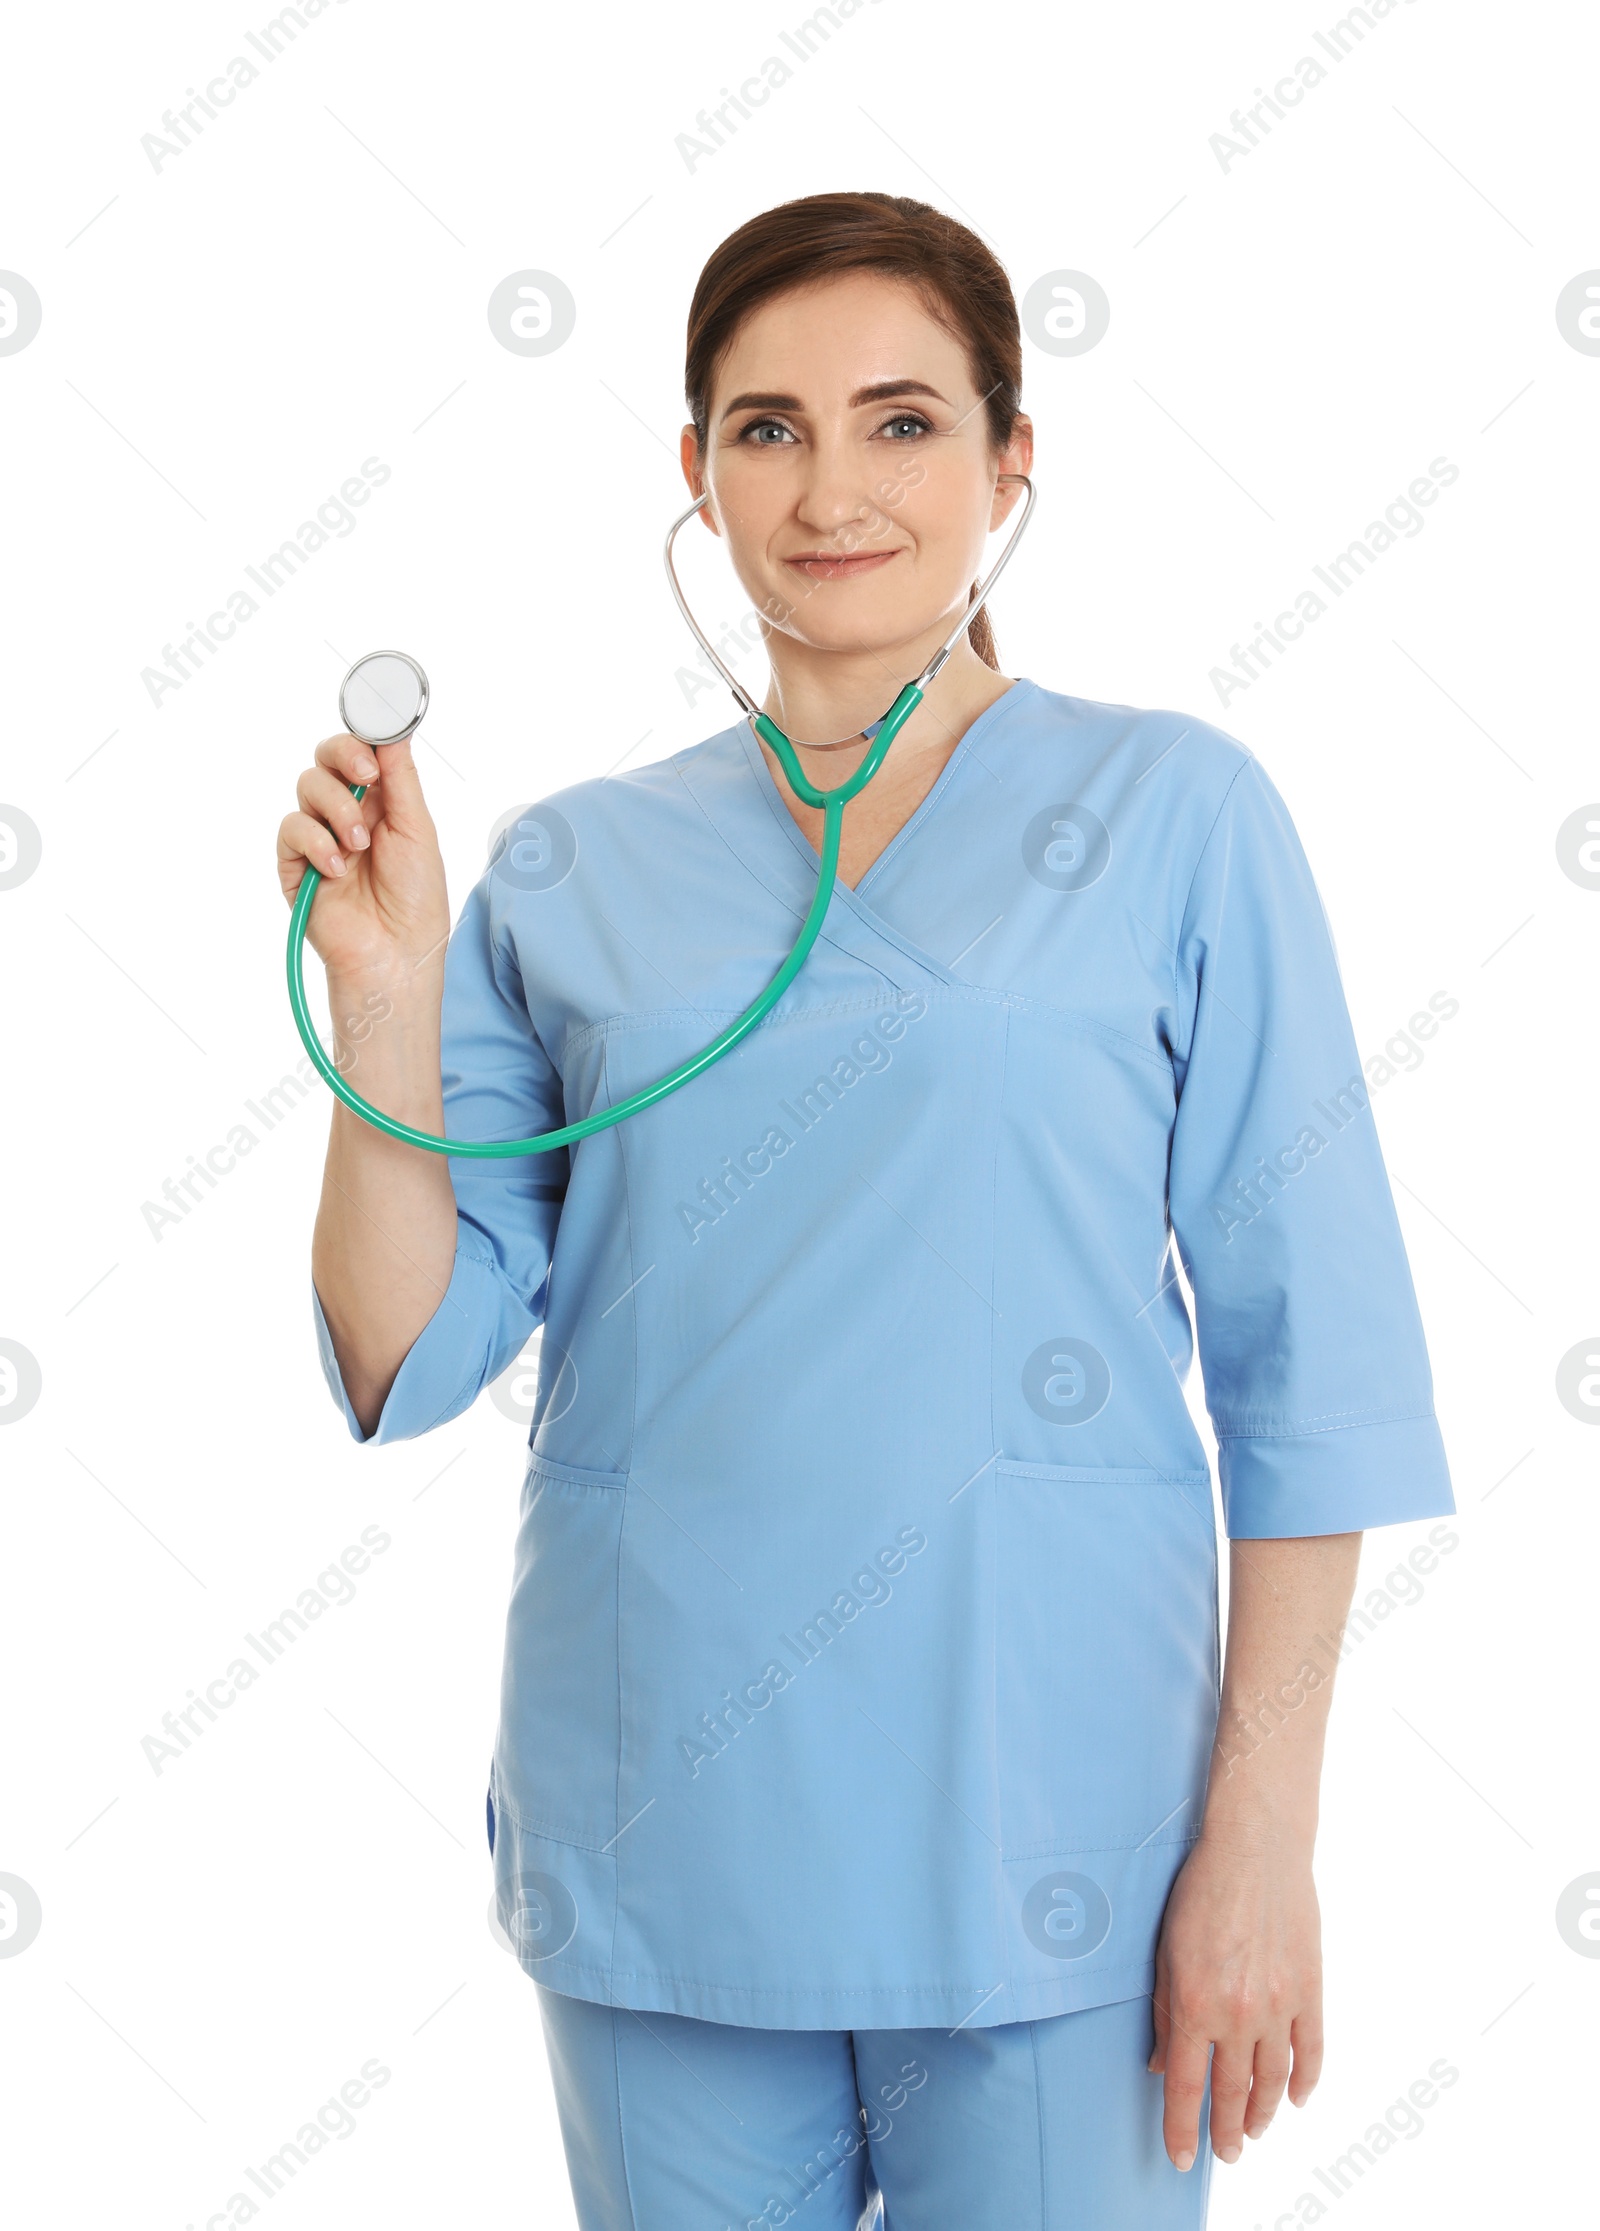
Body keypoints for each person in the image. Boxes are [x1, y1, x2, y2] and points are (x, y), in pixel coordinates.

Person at [277, 192, 1455, 2230]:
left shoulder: (1174, 814)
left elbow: (1310, 1370)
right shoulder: (569, 870)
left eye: (900, 423)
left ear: (1010, 463)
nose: (830, 488)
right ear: (694, 474)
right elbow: (406, 1355)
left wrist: (1257, 1833)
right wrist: (382, 1010)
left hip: (1053, 1826)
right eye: (765, 428)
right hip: (663, 1835)